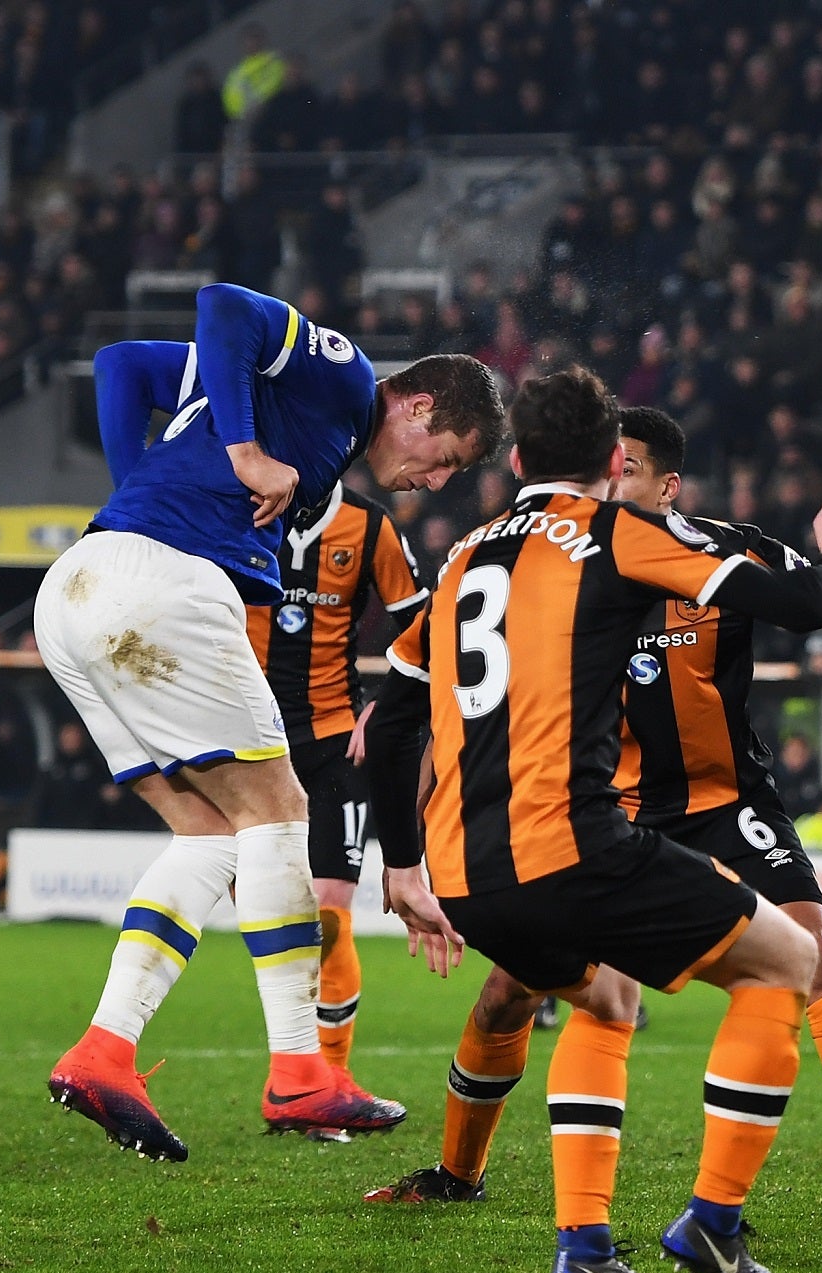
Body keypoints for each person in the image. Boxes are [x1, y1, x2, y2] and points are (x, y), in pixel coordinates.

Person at [367, 403, 822, 1250]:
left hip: (725, 803)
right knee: (511, 995)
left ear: (665, 484)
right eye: (609, 465)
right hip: (604, 812)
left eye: (628, 468)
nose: (612, 481)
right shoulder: (559, 556)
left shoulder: (723, 552)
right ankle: (460, 1173)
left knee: (814, 954)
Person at [37, 281, 504, 1161]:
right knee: (284, 812)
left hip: (76, 586)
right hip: (162, 585)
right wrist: (245, 453)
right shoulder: (345, 380)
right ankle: (300, 1069)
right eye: (445, 457)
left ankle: (103, 1050)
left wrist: (134, 490)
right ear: (417, 403)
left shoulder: (277, 407)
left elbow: (124, 366)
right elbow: (224, 305)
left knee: (211, 833)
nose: (435, 481)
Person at [241, 477, 428, 1134]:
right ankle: (294, 1075)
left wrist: (384, 703)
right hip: (253, 747)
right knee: (280, 918)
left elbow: (422, 623)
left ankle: (326, 1080)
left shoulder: (370, 527)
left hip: (332, 745)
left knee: (328, 915)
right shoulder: (238, 506)